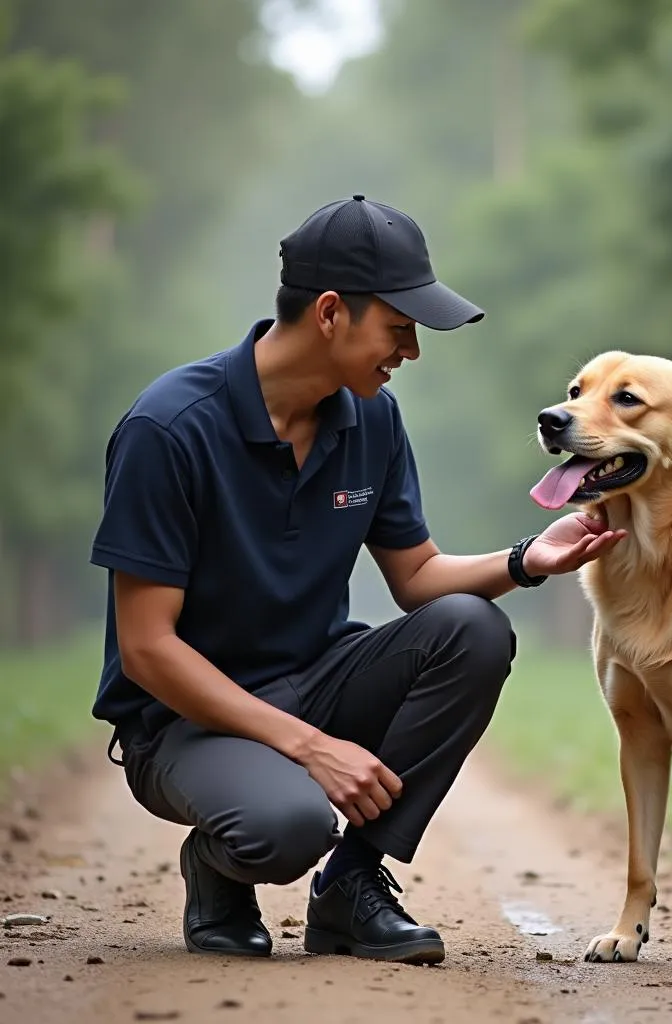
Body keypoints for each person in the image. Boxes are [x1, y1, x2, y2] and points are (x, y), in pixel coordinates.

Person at [89, 194, 626, 965]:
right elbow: (146, 651)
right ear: (333, 312)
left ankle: (350, 882)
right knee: (288, 825)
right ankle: (216, 867)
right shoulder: (170, 429)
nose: (410, 351)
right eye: (399, 329)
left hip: (312, 677)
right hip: (185, 721)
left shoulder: (371, 419)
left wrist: (524, 560)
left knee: (472, 629)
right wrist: (312, 750)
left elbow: (418, 577)